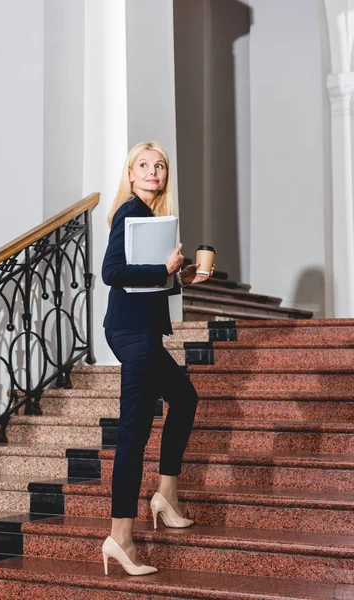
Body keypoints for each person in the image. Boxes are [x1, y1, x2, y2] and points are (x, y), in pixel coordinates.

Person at [101, 141, 214, 576]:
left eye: (159, 165)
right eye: (143, 165)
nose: (152, 171)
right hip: (131, 332)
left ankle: (166, 495)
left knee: (183, 398)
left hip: (141, 330)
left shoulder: (152, 220)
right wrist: (163, 270)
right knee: (134, 432)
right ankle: (121, 538)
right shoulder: (130, 213)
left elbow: (148, 278)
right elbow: (112, 272)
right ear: (131, 174)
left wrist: (180, 276)